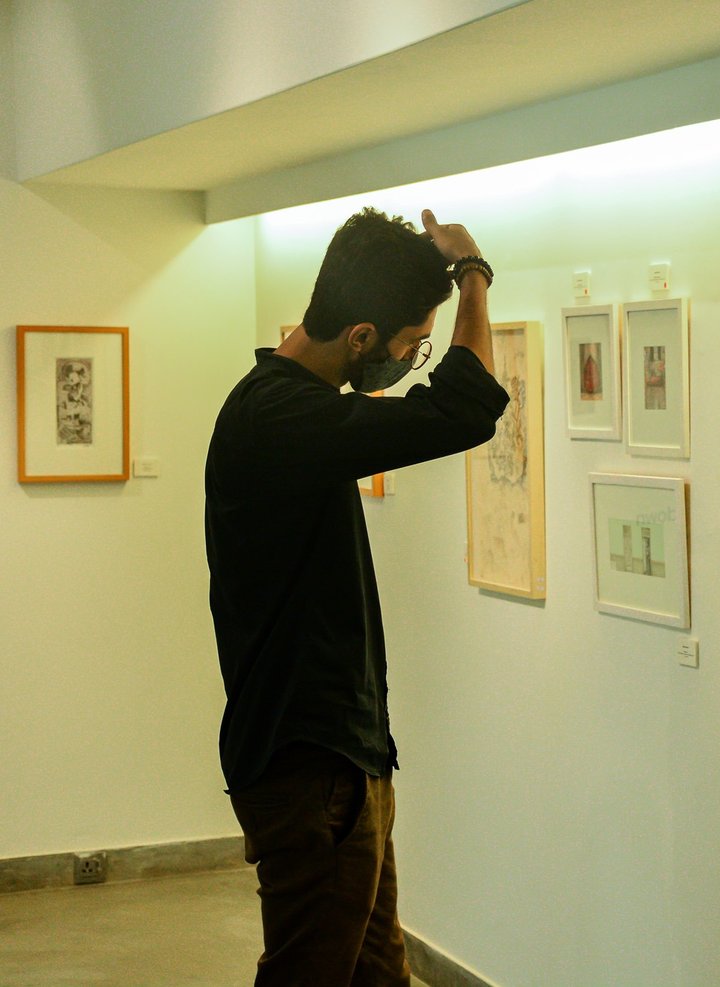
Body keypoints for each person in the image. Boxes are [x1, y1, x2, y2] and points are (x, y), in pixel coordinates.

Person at [205, 207, 508, 985]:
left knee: (376, 971)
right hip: (312, 767)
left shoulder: (285, 406)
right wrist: (472, 273)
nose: (411, 360)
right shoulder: (279, 417)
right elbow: (466, 408)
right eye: (412, 344)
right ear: (363, 336)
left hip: (340, 760)